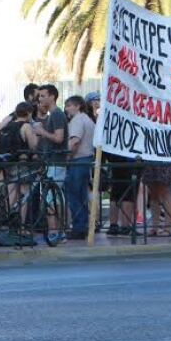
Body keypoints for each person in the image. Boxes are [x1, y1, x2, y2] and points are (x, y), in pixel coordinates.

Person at [64, 95, 95, 240]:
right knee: (81, 194)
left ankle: (79, 227)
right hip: (86, 159)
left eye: (69, 105)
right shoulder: (88, 120)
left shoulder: (77, 120)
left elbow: (75, 141)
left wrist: (67, 157)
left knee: (74, 194)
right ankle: (82, 225)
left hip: (78, 160)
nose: (67, 108)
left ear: (77, 106)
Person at [34, 84, 69, 184]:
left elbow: (59, 138)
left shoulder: (57, 114)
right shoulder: (52, 114)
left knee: (51, 197)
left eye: (43, 96)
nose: (40, 99)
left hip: (56, 162)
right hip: (51, 162)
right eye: (39, 96)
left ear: (52, 97)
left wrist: (42, 131)